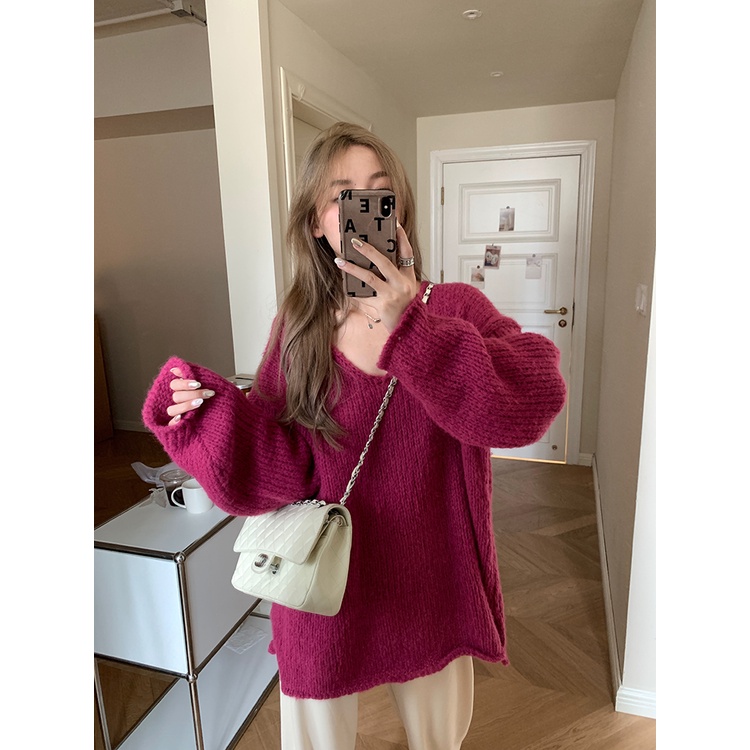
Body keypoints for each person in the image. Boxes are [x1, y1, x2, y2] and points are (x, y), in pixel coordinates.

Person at [142, 122, 567, 750]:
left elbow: (530, 401)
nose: (362, 207)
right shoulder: (300, 326)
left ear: (398, 210)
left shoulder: (452, 308)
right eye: (342, 195)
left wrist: (411, 326)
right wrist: (208, 417)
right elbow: (279, 471)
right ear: (317, 223)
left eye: (377, 191)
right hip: (319, 581)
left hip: (431, 579)